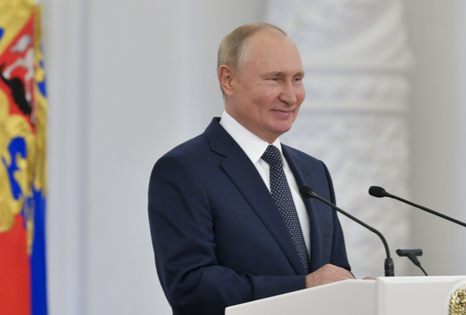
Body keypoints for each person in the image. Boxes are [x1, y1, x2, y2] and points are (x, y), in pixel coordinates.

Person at [148, 22, 354, 315]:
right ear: (228, 80)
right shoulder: (184, 170)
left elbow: (333, 274)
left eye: (297, 78)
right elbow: (191, 287)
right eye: (274, 79)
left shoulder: (314, 172)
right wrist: (304, 286)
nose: (291, 95)